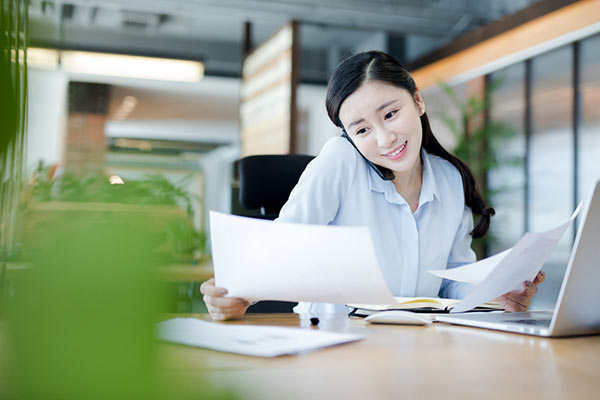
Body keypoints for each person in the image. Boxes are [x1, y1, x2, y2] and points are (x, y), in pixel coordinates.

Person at [201, 50, 545, 321]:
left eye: (391, 114)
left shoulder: (449, 179)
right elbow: (282, 248)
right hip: (332, 343)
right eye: (362, 130)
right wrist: (236, 295)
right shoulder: (340, 161)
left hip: (419, 346)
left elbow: (449, 281)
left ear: (418, 100)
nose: (385, 138)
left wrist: (494, 295)